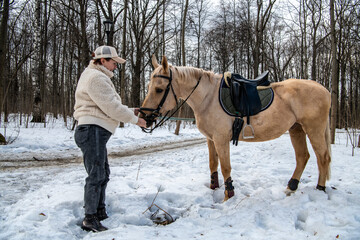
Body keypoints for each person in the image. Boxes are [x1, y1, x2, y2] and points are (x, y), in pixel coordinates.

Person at [73, 45, 147, 232]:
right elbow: (111, 107)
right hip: (92, 130)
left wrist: (131, 111)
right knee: (96, 175)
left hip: (95, 130)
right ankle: (90, 218)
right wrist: (135, 120)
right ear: (102, 60)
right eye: (113, 62)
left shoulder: (96, 76)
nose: (115, 66)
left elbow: (105, 106)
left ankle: (99, 211)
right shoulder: (96, 78)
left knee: (103, 173)